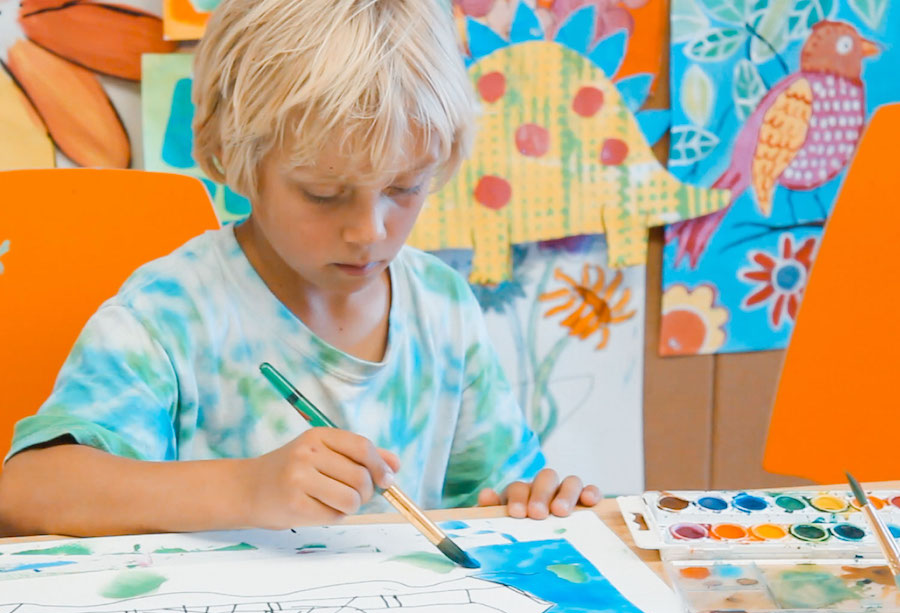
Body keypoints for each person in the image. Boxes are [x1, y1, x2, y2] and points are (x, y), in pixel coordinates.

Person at [0, 0, 599, 537]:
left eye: (404, 188)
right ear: (233, 159)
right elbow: (26, 493)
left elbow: (495, 493)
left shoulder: (442, 305)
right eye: (322, 193)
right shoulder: (169, 313)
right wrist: (246, 490)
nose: (369, 231)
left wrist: (531, 500)